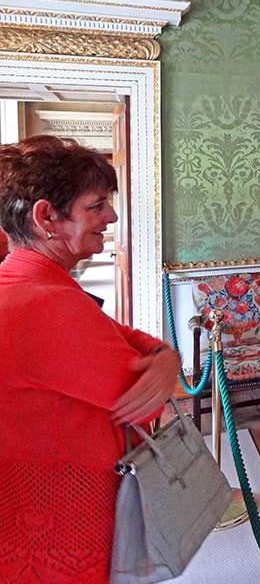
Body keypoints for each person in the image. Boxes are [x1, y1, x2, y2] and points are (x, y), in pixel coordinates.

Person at [0, 135, 181, 583]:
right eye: (97, 205)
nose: (112, 216)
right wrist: (161, 358)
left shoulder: (21, 280)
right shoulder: (45, 306)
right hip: (59, 525)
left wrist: (164, 355)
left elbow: (118, 335)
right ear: (46, 217)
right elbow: (144, 398)